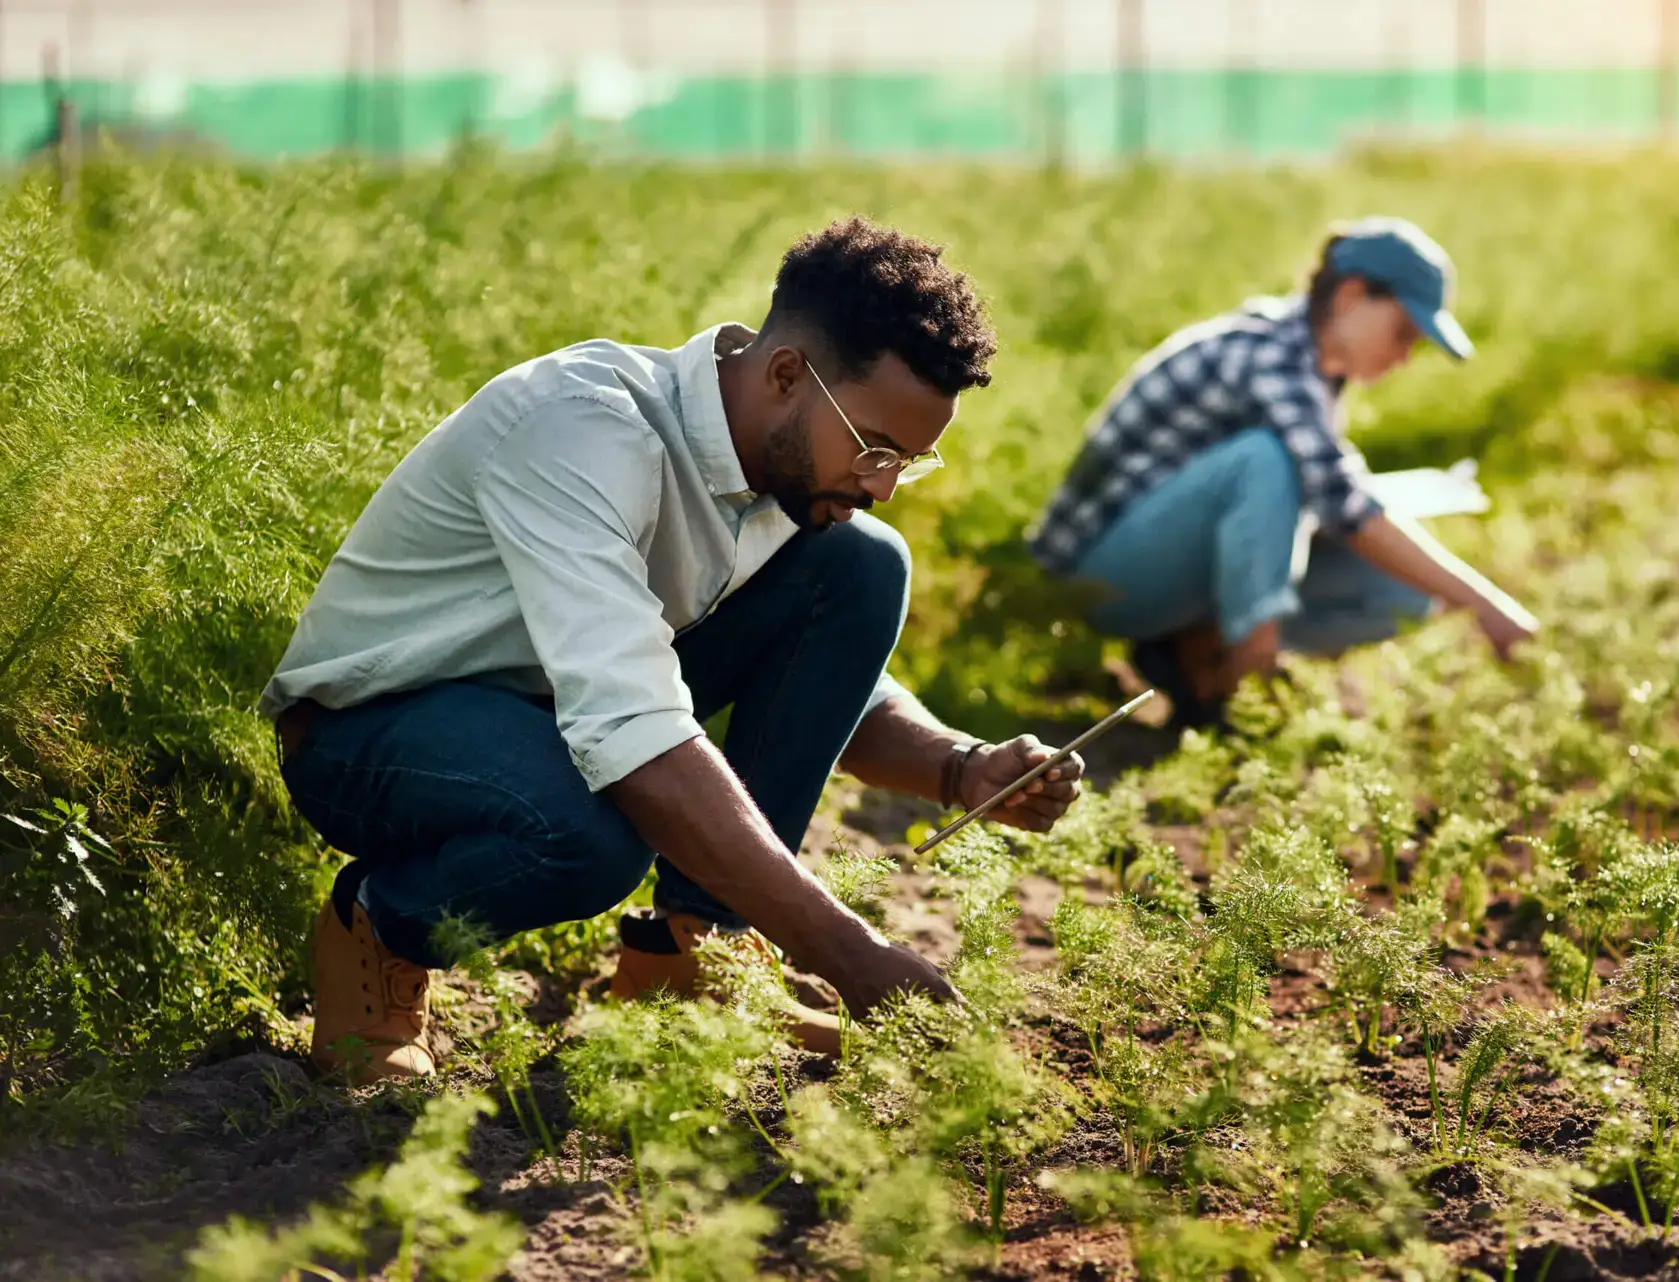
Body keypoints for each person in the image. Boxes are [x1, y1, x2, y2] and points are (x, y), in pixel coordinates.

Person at [262, 217, 1086, 1083]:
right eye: (877, 449)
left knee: (858, 566)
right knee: (591, 835)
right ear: (785, 375)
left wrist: (963, 768)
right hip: (377, 731)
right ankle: (378, 925)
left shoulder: (775, 466)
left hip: (543, 707)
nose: (882, 485)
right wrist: (850, 953)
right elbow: (633, 735)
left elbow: (825, 687)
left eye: (908, 463)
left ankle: (695, 961)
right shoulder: (584, 431)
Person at [1026, 216, 1538, 729]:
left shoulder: (1317, 370)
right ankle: (1249, 685)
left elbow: (1330, 501)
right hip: (1098, 584)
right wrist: (1487, 607)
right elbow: (1346, 506)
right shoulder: (1272, 355)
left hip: (1171, 567)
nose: (1404, 357)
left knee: (1404, 591)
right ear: (1351, 296)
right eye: (1403, 332)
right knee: (1264, 459)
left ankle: (1194, 658)